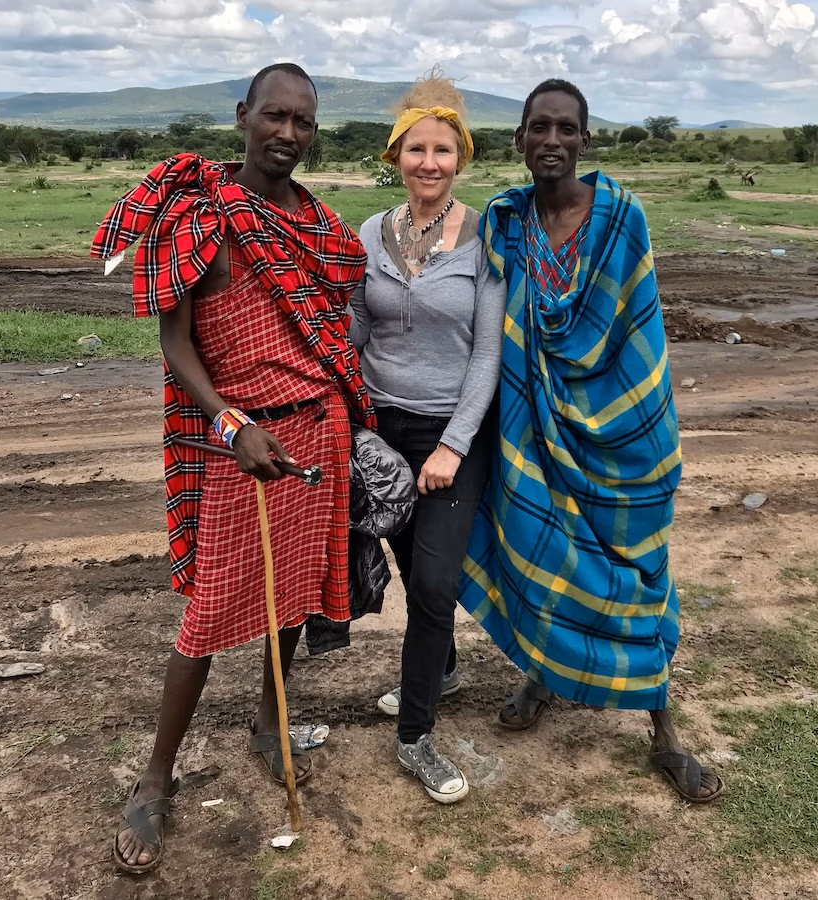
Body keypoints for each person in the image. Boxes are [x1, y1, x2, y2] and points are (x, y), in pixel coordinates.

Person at [91, 63, 374, 874]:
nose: (289, 134)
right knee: (211, 612)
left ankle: (268, 724)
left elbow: (337, 323)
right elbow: (175, 341)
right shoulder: (199, 217)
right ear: (243, 115)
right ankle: (154, 780)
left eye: (304, 123)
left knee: (291, 600)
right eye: (275, 117)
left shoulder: (321, 227)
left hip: (318, 436)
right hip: (241, 443)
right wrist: (229, 421)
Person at [459, 79, 723, 803]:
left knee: (639, 572)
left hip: (622, 438)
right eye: (537, 127)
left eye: (565, 128)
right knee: (544, 555)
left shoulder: (620, 217)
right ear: (517, 139)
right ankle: (543, 674)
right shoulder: (504, 221)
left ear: (584, 139)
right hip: (535, 432)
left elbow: (639, 329)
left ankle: (663, 733)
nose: (550, 140)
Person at [348, 74, 507, 804]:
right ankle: (439, 669)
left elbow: (486, 353)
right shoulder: (369, 234)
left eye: (444, 150)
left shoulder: (486, 237)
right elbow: (354, 335)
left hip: (454, 432)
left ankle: (415, 738)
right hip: (381, 430)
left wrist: (452, 446)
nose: (430, 162)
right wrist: (351, 426)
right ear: (397, 155)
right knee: (413, 570)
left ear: (460, 158)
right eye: (417, 148)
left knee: (437, 584)